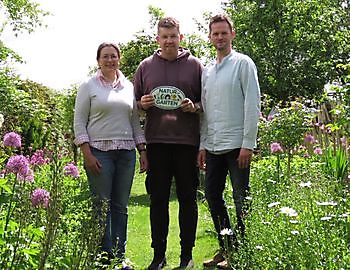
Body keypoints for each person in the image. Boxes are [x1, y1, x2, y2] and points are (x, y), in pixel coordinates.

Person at [133, 17, 202, 269]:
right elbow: (136, 104)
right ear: (157, 39)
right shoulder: (145, 66)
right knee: (158, 200)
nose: (169, 40)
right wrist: (143, 104)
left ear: (180, 38)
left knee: (187, 199)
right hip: (157, 143)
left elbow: (206, 102)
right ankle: (158, 255)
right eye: (165, 36)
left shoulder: (195, 66)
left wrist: (194, 106)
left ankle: (187, 255)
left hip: (187, 143)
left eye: (173, 36)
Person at [73, 42, 147, 269]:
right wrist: (86, 153)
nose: (110, 60)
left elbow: (134, 122)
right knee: (101, 205)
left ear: (119, 59)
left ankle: (119, 255)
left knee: (120, 207)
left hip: (125, 154)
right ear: (98, 60)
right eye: (105, 57)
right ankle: (103, 257)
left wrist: (142, 150)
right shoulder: (88, 86)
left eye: (113, 56)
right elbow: (79, 122)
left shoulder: (129, 86)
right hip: (99, 154)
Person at [198, 15, 261, 269]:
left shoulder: (243, 64)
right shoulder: (207, 71)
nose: (220, 37)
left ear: (232, 34)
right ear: (210, 37)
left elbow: (252, 103)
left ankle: (243, 253)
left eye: (224, 33)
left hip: (237, 146)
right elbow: (205, 110)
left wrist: (248, 143)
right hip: (213, 145)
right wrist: (202, 144)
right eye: (215, 33)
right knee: (213, 196)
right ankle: (227, 248)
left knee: (240, 199)